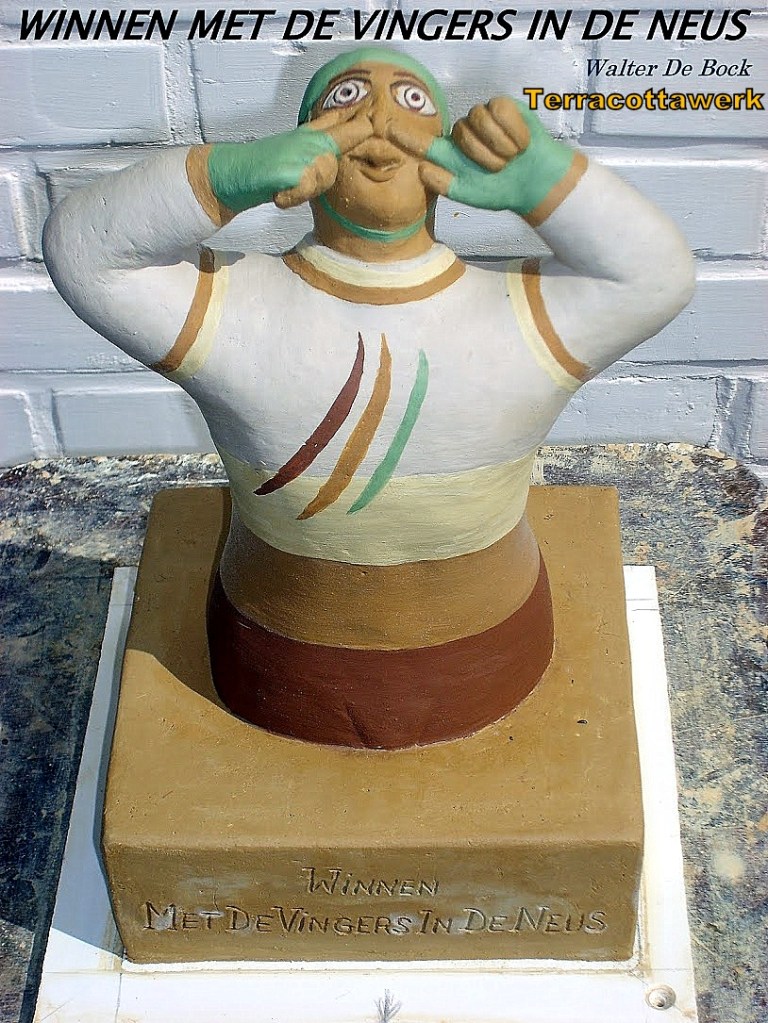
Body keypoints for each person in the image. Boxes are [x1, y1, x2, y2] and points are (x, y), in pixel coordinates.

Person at [43, 48, 695, 749]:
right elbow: (85, 251)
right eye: (348, 98)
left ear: (447, 152)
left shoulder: (520, 315)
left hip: (497, 656)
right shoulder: (234, 309)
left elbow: (657, 276)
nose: (380, 118)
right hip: (271, 667)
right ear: (304, 146)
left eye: (411, 102)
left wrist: (547, 184)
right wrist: (228, 175)